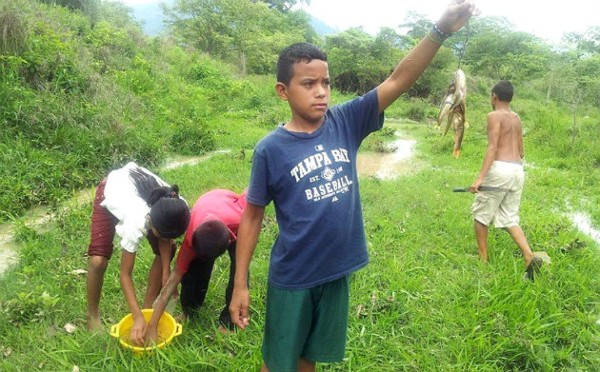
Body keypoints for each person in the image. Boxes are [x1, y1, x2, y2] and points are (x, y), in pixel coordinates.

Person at [229, 2, 478, 371]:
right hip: (294, 277)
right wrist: (240, 283)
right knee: (278, 363)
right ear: (283, 91)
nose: (321, 92)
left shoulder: (345, 121)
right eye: (308, 84)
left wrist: (439, 31)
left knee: (309, 359)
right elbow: (251, 217)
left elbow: (397, 79)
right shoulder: (271, 149)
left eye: (326, 82)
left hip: (335, 272)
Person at [86, 162, 190, 345]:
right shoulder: (137, 219)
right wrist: (136, 317)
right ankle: (92, 316)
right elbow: (125, 275)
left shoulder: (177, 205)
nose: (164, 239)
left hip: (136, 190)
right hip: (112, 190)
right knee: (98, 261)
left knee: (168, 250)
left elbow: (166, 239)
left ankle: (147, 309)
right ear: (151, 222)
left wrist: (166, 272)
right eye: (160, 234)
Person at [146, 189, 248, 342]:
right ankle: (190, 310)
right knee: (192, 275)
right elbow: (169, 285)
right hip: (207, 207)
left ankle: (229, 322)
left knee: (239, 274)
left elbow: (250, 196)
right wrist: (152, 326)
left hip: (235, 223)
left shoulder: (240, 219)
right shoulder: (190, 242)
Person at [469, 81, 543, 281]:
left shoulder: (494, 116)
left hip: (500, 169)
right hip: (517, 170)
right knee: (510, 218)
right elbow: (521, 150)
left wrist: (479, 178)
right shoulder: (516, 118)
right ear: (511, 97)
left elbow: (492, 148)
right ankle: (529, 257)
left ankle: (482, 259)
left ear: (494, 96)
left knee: (480, 215)